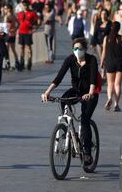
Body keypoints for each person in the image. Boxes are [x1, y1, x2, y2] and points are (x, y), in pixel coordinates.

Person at [41, 38, 99, 166]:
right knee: (63, 99)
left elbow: (93, 79)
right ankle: (69, 126)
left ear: (85, 49)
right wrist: (47, 92)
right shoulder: (70, 59)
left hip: (90, 93)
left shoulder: (92, 60)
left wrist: (90, 93)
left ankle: (87, 153)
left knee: (85, 120)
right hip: (76, 91)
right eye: (75, 49)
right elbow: (59, 77)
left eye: (80, 48)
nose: (77, 51)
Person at [101, 22, 122, 111]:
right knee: (117, 84)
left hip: (110, 62)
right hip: (120, 63)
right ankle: (116, 104)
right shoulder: (121, 38)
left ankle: (109, 98)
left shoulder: (106, 38)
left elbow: (104, 51)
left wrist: (101, 62)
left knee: (110, 84)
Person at [17, 0, 39, 70]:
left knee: (29, 48)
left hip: (28, 33)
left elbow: (38, 22)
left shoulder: (32, 13)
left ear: (28, 5)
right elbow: (18, 23)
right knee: (21, 47)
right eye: (23, 5)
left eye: (25, 5)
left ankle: (29, 63)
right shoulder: (20, 13)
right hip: (21, 32)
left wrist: (34, 29)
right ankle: (21, 62)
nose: (24, 6)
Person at [4, 4, 20, 71]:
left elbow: (5, 25)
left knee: (7, 49)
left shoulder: (8, 16)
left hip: (9, 34)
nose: (5, 10)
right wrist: (15, 29)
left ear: (8, 9)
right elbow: (18, 23)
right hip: (11, 34)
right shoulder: (13, 16)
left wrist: (14, 29)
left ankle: (8, 63)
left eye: (5, 8)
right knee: (12, 49)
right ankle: (16, 62)